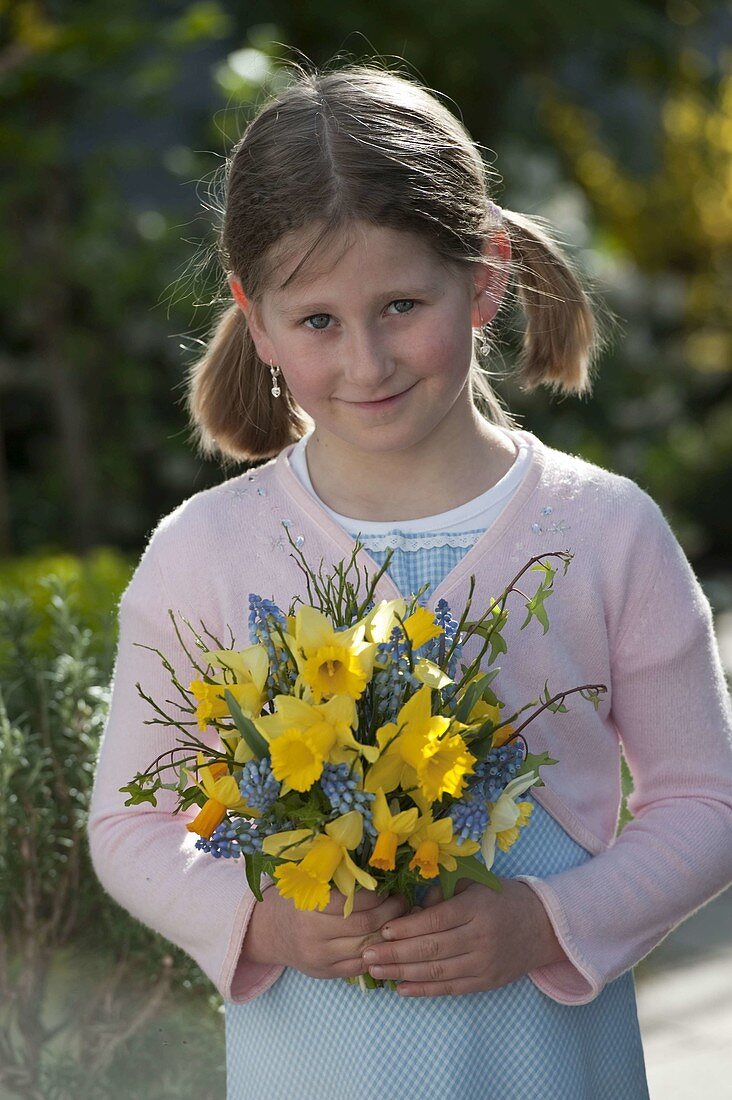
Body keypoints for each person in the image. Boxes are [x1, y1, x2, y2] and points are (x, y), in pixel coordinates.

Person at [87, 59, 732, 1099]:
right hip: (317, 1060)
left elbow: (707, 799)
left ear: (483, 277)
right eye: (319, 322)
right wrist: (261, 919)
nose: (367, 361)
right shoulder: (206, 551)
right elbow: (128, 826)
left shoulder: (605, 531)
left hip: (547, 1062)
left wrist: (546, 922)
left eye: (399, 304)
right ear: (256, 319)